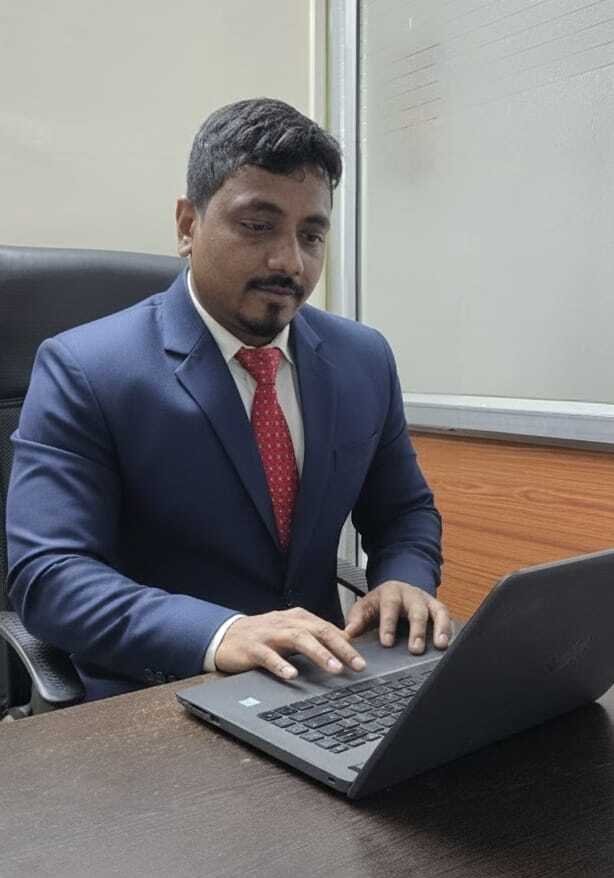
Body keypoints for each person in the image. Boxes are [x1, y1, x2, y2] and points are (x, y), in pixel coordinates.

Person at [7, 98, 451, 701]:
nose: (289, 261)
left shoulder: (362, 359)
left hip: (326, 679)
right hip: (161, 692)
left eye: (311, 235)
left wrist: (405, 579)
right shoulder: (84, 368)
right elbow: (50, 576)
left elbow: (403, 512)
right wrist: (220, 633)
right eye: (257, 225)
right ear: (187, 225)